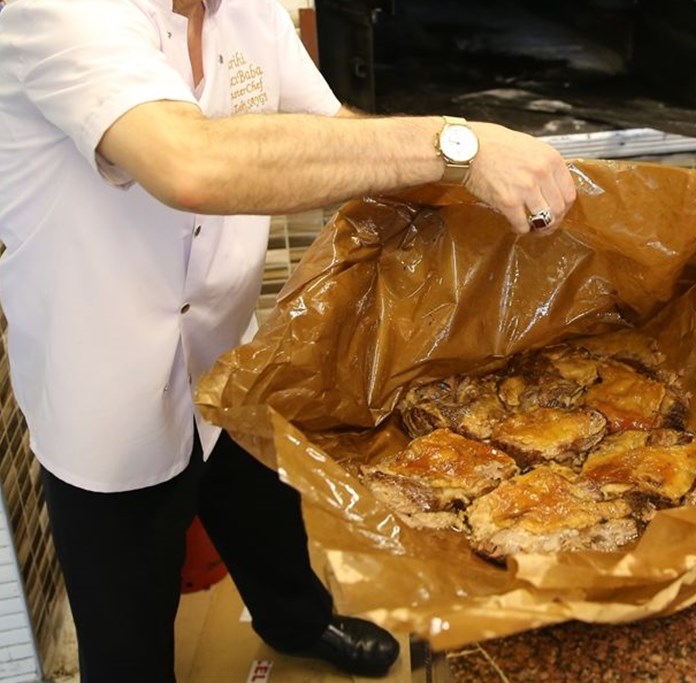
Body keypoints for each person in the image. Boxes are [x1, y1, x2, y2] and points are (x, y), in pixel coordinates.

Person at [0, 0, 578, 680]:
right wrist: (463, 146)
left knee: (268, 523)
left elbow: (333, 132)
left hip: (226, 355)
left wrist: (482, 190)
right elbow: (191, 164)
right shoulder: (55, 11)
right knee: (126, 632)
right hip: (103, 393)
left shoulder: (249, 13)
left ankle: (300, 621)